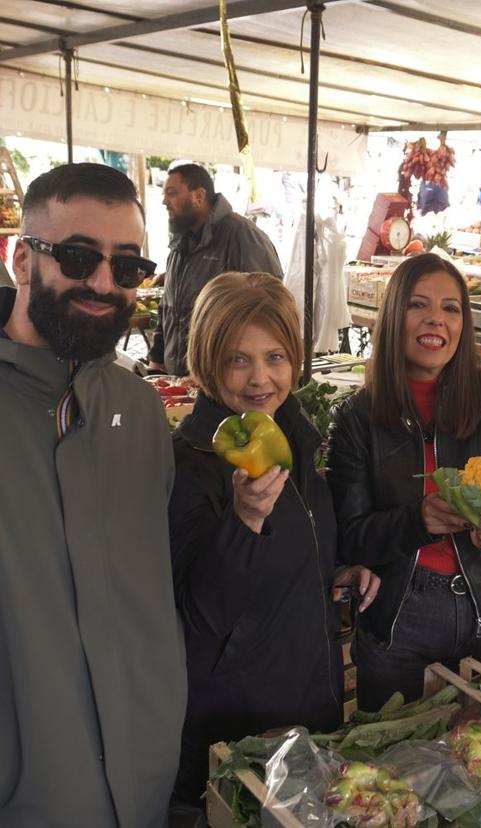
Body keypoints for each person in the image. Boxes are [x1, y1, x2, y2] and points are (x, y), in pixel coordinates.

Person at [0, 163, 186, 827]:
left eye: (129, 266)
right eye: (79, 257)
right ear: (22, 258)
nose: (104, 283)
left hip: (143, 785)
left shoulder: (138, 410)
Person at [168, 271, 380, 812]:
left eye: (276, 356)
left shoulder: (295, 439)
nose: (261, 378)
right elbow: (200, 613)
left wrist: (333, 573)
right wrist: (243, 521)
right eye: (238, 359)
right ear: (207, 361)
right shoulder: (189, 464)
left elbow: (294, 555)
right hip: (239, 729)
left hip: (310, 701)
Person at [327, 253, 481, 711]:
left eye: (451, 308)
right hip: (401, 616)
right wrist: (418, 519)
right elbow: (351, 536)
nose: (436, 320)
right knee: (390, 766)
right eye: (418, 305)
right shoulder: (355, 419)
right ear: (393, 315)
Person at [148, 163, 283, 376]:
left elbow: (269, 309)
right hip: (180, 380)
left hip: (221, 381)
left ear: (199, 196)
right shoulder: (180, 243)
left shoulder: (242, 236)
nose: (165, 201)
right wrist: (157, 356)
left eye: (172, 193)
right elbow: (169, 305)